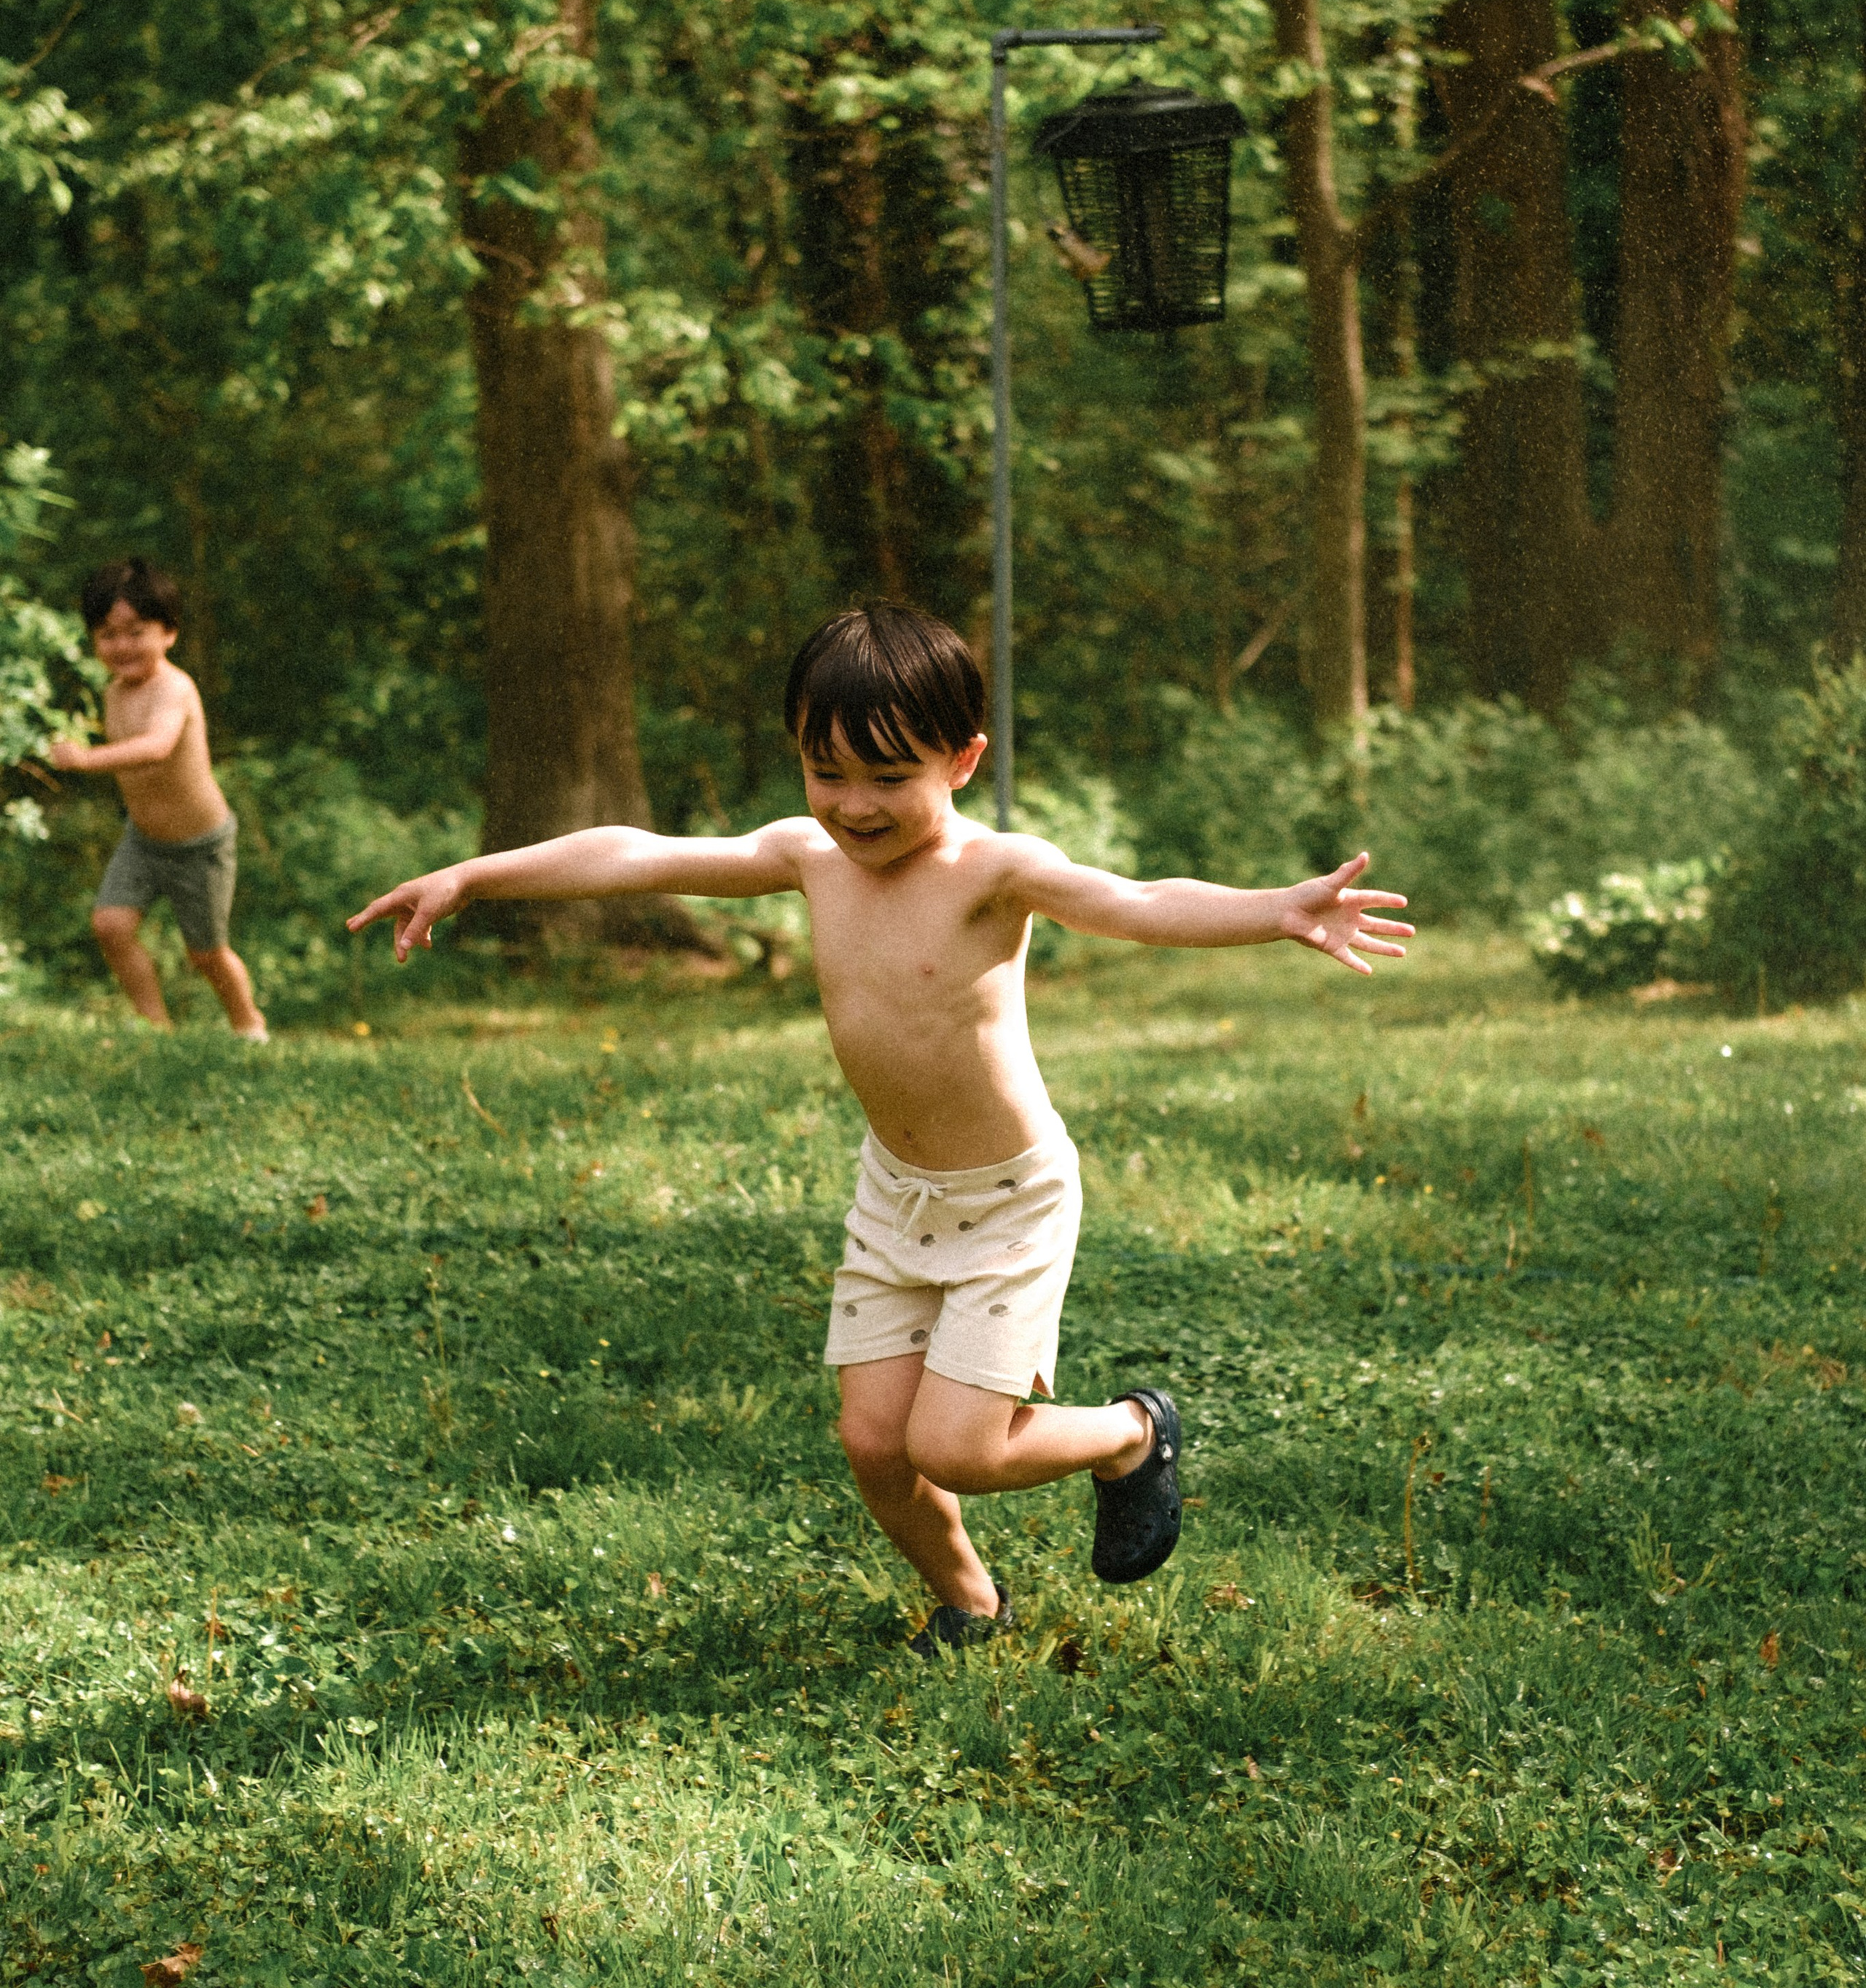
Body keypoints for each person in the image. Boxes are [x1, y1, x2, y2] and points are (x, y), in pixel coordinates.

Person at [348, 607, 1410, 1649]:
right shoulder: (810, 857)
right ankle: (971, 1602)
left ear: (962, 758)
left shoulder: (995, 874)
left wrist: (1273, 908)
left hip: (1009, 1199)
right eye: (828, 771)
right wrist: (475, 876)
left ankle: (1134, 1432)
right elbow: (634, 854)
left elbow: (1134, 898)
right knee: (873, 1444)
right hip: (897, 1192)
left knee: (958, 1447)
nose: (854, 805)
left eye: (889, 776)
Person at [50, 558, 268, 1042]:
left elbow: (157, 747)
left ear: (168, 632)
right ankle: (155, 1024)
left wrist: (85, 759)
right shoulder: (114, 693)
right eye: (108, 634)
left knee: (206, 953)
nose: (122, 645)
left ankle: (249, 1025)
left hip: (200, 843)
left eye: (136, 631)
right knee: (110, 924)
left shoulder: (175, 688)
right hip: (144, 839)